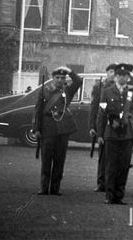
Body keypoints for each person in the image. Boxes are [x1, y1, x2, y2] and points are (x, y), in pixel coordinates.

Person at [97, 63, 133, 204]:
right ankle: (109, 195)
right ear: (115, 77)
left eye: (125, 75)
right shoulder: (107, 92)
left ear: (128, 77)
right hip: (111, 132)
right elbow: (102, 114)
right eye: (120, 75)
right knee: (110, 165)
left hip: (127, 132)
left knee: (124, 165)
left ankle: (119, 195)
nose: (122, 78)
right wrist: (100, 135)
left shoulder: (132, 91)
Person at [32, 66, 83, 195]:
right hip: (48, 128)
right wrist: (36, 128)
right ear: (52, 78)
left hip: (63, 128)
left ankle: (55, 188)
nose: (60, 80)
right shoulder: (44, 91)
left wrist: (68, 70)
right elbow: (37, 110)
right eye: (57, 77)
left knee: (60, 160)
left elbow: (78, 81)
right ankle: (44, 188)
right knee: (47, 159)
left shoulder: (68, 90)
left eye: (62, 78)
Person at [88, 63, 116, 192]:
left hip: (115, 126)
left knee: (115, 156)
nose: (113, 74)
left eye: (115, 72)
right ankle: (101, 183)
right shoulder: (99, 87)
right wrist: (92, 126)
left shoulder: (120, 88)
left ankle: (113, 183)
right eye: (111, 71)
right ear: (106, 73)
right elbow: (93, 107)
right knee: (103, 155)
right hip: (103, 125)